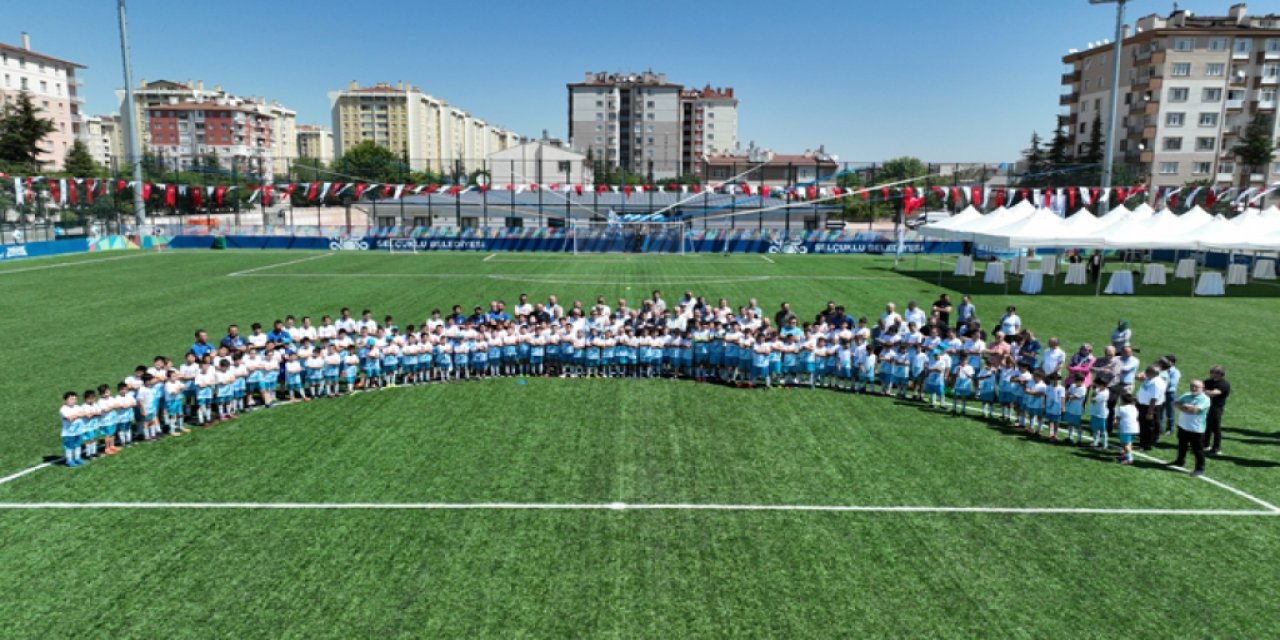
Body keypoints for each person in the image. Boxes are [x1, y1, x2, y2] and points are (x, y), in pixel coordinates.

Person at [1170, 379, 1212, 476]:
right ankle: (1180, 461)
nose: (1193, 388)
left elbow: (1194, 411)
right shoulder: (1186, 395)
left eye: (1196, 387)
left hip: (1196, 429)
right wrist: (1186, 406)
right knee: (1182, 446)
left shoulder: (1205, 399)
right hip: (1183, 426)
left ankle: (1200, 468)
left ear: (1202, 388)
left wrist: (1183, 406)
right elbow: (1175, 404)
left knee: (1197, 450)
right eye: (1192, 386)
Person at [1135, 366, 1167, 451]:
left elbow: (1154, 399)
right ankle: (1143, 442)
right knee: (1143, 425)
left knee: (1148, 426)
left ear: (1153, 373)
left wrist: (1150, 412)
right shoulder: (1150, 379)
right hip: (1143, 405)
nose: (1145, 373)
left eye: (1147, 372)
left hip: (1149, 407)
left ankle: (1146, 445)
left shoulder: (1157, 383)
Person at [1202, 365, 1231, 455]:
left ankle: (1216, 448)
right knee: (1206, 426)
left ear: (1220, 374)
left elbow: (1214, 393)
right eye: (1211, 371)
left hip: (1216, 408)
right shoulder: (1207, 381)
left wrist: (1202, 391)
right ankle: (1205, 444)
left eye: (1213, 372)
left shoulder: (1224, 384)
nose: (1211, 373)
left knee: (1216, 428)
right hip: (1205, 407)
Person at [1115, 393, 1140, 465]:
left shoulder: (1121, 408)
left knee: (1124, 444)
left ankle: (1130, 459)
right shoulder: (1134, 408)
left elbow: (1118, 418)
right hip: (1134, 428)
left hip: (1126, 428)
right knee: (1129, 443)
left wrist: (1115, 424)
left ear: (1123, 401)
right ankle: (1125, 456)